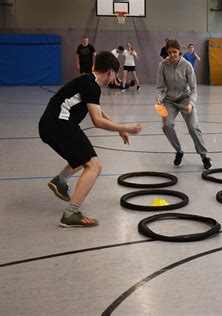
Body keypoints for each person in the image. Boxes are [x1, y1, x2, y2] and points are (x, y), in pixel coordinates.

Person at [39, 51, 142, 228]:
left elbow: (98, 111)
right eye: (115, 75)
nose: (114, 79)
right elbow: (97, 121)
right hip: (60, 124)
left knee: (83, 155)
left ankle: (61, 181)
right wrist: (125, 127)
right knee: (94, 166)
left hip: (49, 126)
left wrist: (116, 126)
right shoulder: (91, 85)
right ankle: (71, 213)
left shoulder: (87, 81)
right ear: (111, 72)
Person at [155, 39, 211, 169]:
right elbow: (159, 87)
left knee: (193, 128)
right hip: (169, 101)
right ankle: (179, 151)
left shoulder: (187, 66)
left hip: (185, 100)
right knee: (167, 125)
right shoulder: (162, 66)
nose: (172, 55)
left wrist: (191, 103)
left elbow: (193, 88)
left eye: (175, 52)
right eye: (169, 52)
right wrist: (158, 99)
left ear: (180, 52)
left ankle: (204, 156)